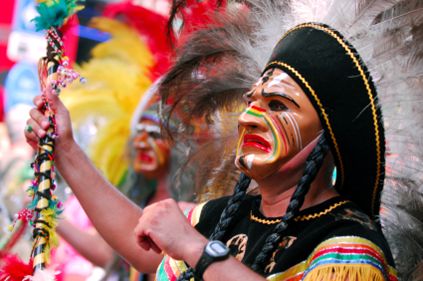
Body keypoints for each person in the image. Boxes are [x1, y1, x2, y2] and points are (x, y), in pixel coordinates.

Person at [24, 1, 422, 280]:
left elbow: (184, 247)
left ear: (328, 130)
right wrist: (67, 150)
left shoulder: (347, 245)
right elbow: (139, 243)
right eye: (252, 101)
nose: (251, 116)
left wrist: (197, 251)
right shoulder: (224, 217)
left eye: (278, 105)